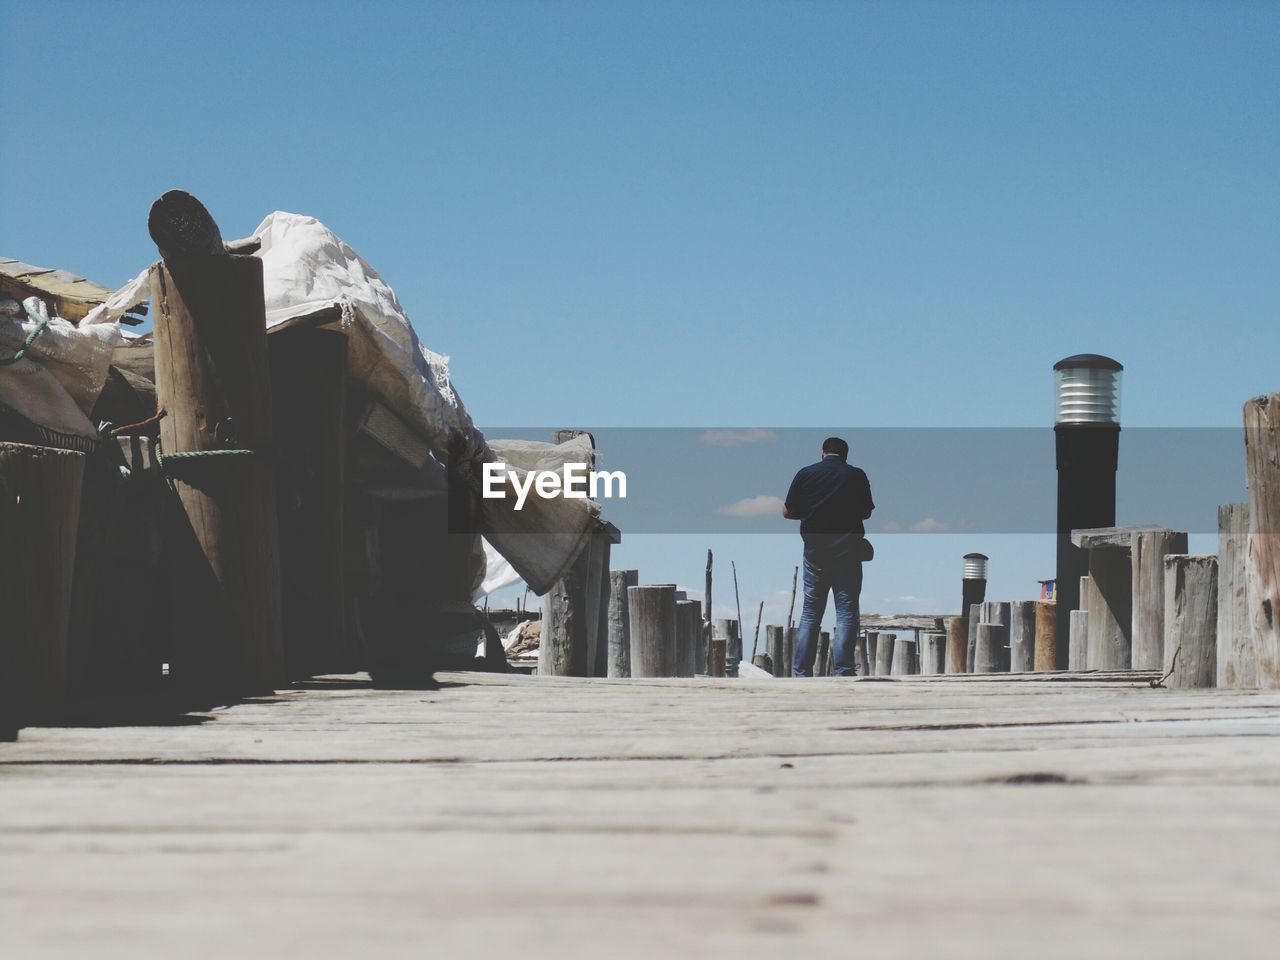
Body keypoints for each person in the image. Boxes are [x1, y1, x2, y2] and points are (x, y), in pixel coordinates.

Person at [782, 437, 874, 677]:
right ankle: (843, 670)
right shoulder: (857, 475)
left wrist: (810, 512)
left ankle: (802, 671)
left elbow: (787, 511)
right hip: (848, 552)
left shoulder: (806, 474)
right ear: (845, 455)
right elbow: (866, 512)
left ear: (823, 453)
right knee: (846, 611)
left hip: (815, 552)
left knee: (811, 612)